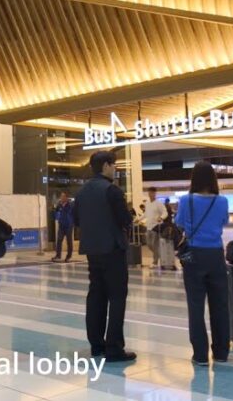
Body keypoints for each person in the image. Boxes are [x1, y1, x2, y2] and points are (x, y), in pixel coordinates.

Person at [73, 150, 135, 362]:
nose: (115, 168)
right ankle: (114, 348)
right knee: (117, 298)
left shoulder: (81, 193)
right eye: (114, 165)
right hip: (113, 251)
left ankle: (96, 345)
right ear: (106, 166)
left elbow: (77, 221)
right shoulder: (112, 191)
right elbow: (125, 220)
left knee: (96, 296)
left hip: (92, 251)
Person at [175, 162, 231, 366]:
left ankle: (200, 355)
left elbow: (180, 223)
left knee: (196, 306)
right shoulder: (222, 201)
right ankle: (221, 352)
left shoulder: (185, 200)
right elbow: (223, 222)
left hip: (194, 256)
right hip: (216, 254)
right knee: (220, 305)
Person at [142, 189, 168, 266]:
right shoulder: (147, 203)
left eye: (153, 193)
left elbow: (165, 212)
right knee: (149, 244)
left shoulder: (159, 203)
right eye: (150, 192)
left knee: (154, 244)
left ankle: (155, 262)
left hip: (156, 227)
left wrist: (161, 217)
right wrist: (138, 219)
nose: (151, 194)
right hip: (148, 227)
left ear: (155, 194)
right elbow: (145, 214)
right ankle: (159, 254)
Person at [52, 191, 74, 263]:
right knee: (59, 240)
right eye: (61, 196)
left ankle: (68, 256)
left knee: (69, 241)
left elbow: (73, 214)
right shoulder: (59, 205)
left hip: (68, 225)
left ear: (66, 198)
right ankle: (58, 255)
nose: (61, 198)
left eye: (62, 196)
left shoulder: (70, 205)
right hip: (61, 225)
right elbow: (56, 212)